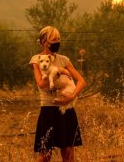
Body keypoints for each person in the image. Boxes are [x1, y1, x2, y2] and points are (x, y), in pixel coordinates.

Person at [29, 26, 86, 162]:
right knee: (45, 155)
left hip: (67, 110)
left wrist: (72, 97)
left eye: (58, 40)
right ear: (43, 41)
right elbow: (41, 84)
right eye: (53, 40)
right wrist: (59, 71)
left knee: (68, 153)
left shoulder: (64, 59)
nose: (56, 43)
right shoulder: (37, 59)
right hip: (48, 110)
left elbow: (81, 81)